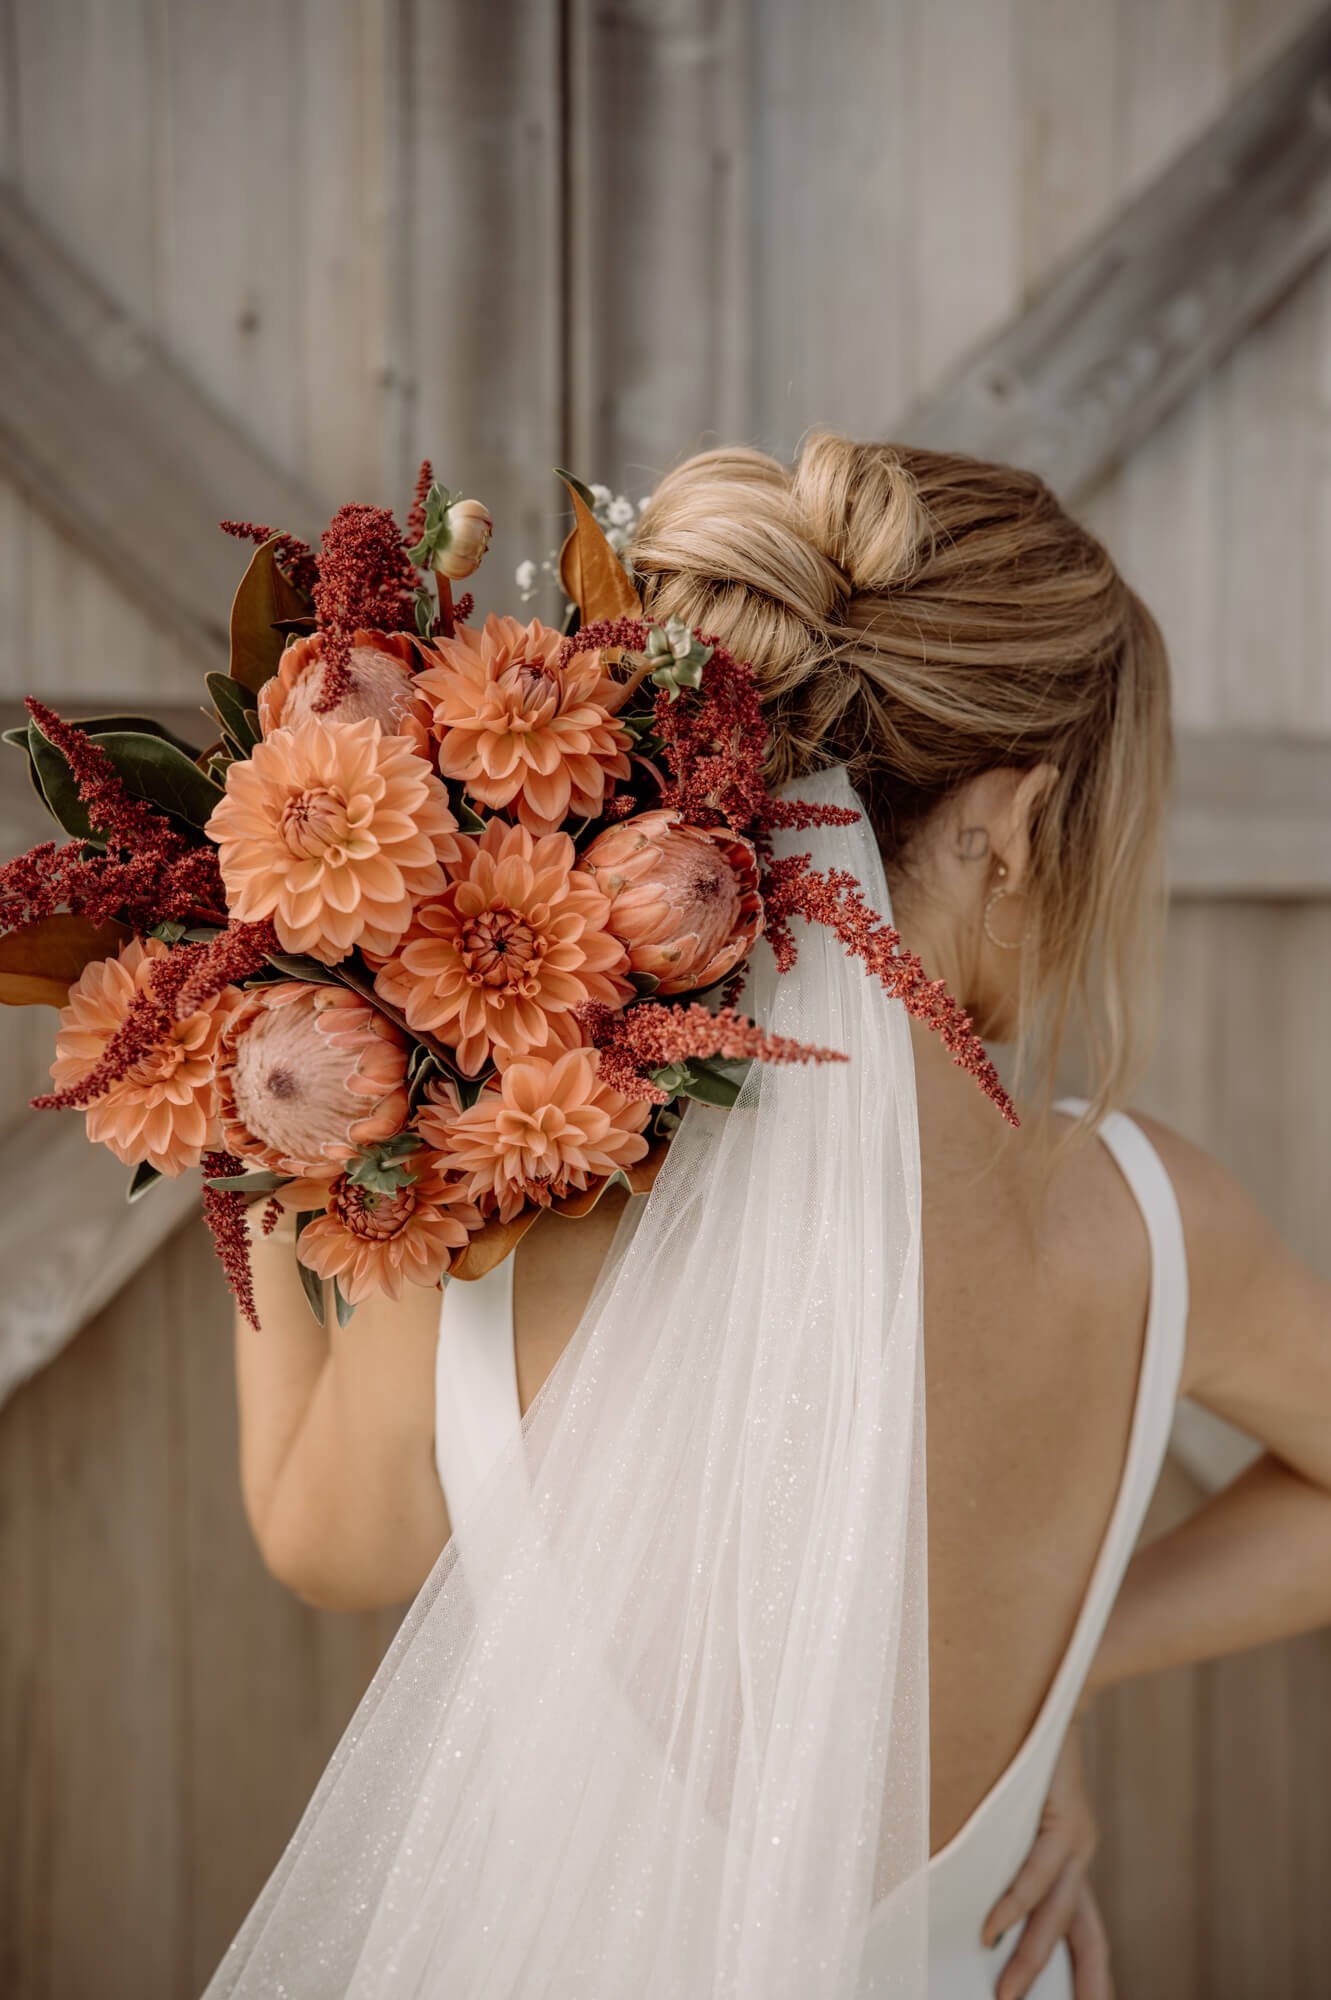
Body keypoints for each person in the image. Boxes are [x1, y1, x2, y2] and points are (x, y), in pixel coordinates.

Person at [218, 433, 1331, 2000]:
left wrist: (268, 1079)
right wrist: (1050, 1675)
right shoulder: (1152, 1226)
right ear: (1014, 825)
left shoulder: (508, 1183)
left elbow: (322, 1537)